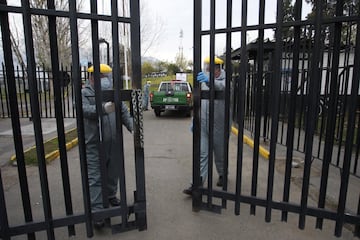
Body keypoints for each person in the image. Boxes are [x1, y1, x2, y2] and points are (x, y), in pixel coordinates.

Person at [82, 63, 133, 228]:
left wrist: (134, 128)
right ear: (91, 78)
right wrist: (103, 108)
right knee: (95, 177)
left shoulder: (112, 93)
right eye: (101, 77)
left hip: (113, 141)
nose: (104, 80)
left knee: (113, 172)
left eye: (106, 76)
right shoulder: (85, 93)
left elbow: (124, 112)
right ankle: (98, 213)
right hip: (94, 143)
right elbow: (84, 109)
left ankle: (111, 195)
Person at [183, 56, 228, 195]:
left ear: (219, 68)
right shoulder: (203, 83)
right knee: (202, 154)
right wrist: (194, 121)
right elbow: (198, 103)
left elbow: (220, 87)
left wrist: (209, 82)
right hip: (203, 125)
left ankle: (222, 174)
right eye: (207, 67)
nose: (209, 70)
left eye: (212, 67)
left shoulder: (226, 81)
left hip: (219, 125)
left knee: (219, 154)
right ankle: (197, 184)